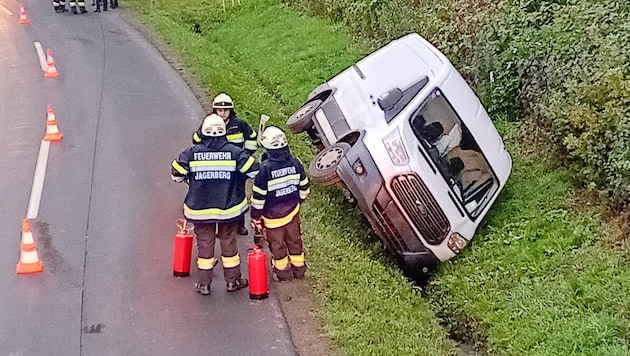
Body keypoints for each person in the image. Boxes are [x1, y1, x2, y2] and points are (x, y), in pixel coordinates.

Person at [171, 114, 259, 295]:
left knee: (205, 244)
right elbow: (254, 170)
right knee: (229, 243)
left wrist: (192, 180)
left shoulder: (191, 153)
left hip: (200, 210)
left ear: (202, 132)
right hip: (229, 209)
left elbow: (176, 175)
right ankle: (233, 281)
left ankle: (204, 284)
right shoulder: (235, 152)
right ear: (223, 131)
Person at [192, 93, 257, 236]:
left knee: (238, 196)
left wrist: (245, 155)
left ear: (230, 110)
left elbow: (252, 139)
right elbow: (196, 140)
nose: (222, 113)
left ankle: (239, 225)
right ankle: (217, 226)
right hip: (218, 167)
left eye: (225, 110)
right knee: (218, 195)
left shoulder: (240, 125)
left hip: (238, 168)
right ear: (215, 110)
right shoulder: (209, 124)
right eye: (219, 110)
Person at [250, 126, 310, 281]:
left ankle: (283, 273)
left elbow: (258, 198)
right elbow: (304, 187)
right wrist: (299, 201)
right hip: (292, 212)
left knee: (277, 245)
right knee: (295, 241)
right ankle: (299, 269)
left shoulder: (264, 170)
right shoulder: (296, 163)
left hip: (272, 218)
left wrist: (255, 217)